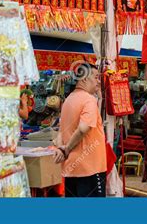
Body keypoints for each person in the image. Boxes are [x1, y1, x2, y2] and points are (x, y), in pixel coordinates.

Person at [53, 62, 107, 197]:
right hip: (90, 168)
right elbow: (83, 129)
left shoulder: (68, 100)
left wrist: (62, 148)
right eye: (95, 77)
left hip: (71, 167)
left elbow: (61, 131)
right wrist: (67, 149)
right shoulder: (89, 100)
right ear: (84, 79)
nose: (98, 81)